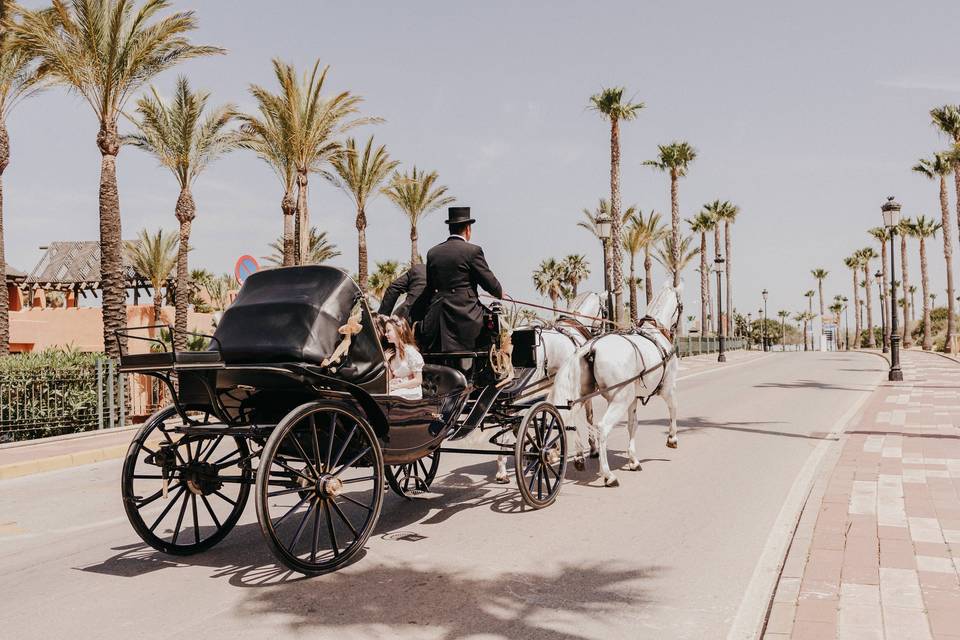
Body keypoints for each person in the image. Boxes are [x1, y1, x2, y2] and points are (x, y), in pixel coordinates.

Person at [420, 206, 504, 352]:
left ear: (450, 229)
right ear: (467, 229)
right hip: (466, 317)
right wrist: (500, 293)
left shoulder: (433, 253)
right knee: (499, 327)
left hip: (438, 318)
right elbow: (490, 285)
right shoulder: (472, 251)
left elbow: (430, 287)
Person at [378, 315, 424, 400]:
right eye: (385, 331)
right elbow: (390, 378)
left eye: (388, 331)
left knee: (386, 398)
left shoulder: (411, 352)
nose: (385, 334)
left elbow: (418, 380)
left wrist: (396, 386)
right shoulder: (393, 352)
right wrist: (386, 363)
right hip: (397, 388)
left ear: (400, 330)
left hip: (410, 390)